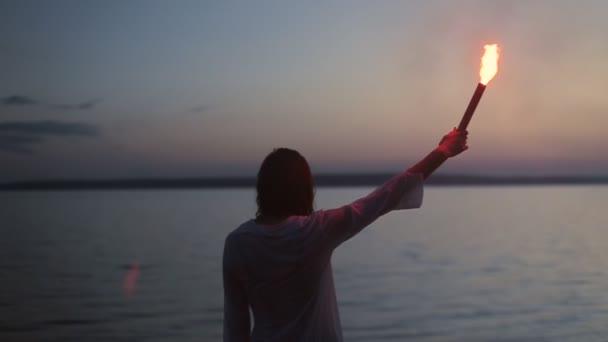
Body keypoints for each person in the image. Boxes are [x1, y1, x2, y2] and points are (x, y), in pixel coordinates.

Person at [223, 128, 468, 342]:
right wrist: (442, 151)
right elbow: (386, 196)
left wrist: (442, 150)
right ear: (304, 188)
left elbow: (235, 328)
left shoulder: (237, 243)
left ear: (262, 188)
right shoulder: (315, 231)